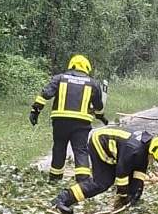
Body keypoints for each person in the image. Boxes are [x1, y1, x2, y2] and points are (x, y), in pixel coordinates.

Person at [53, 125, 158, 213]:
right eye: (153, 158)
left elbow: (140, 170)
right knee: (102, 182)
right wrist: (122, 196)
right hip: (100, 142)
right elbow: (122, 173)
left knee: (130, 182)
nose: (152, 160)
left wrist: (136, 193)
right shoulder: (133, 149)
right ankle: (63, 199)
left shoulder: (145, 146)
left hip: (116, 149)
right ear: (153, 150)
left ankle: (129, 206)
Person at [30, 55, 105, 187]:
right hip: (81, 124)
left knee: (59, 148)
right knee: (80, 150)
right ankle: (83, 182)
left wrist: (35, 111)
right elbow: (98, 106)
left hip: (60, 122)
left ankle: (54, 180)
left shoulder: (59, 78)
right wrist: (101, 117)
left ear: (71, 65)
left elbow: (45, 94)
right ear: (86, 67)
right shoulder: (92, 83)